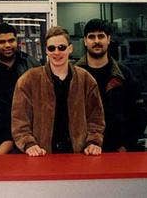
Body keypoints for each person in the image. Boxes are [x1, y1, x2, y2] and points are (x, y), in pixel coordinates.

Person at [12, 26, 105, 156]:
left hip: (78, 156)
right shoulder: (28, 80)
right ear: (46, 51)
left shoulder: (86, 80)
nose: (57, 52)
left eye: (61, 47)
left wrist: (93, 142)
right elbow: (19, 120)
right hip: (40, 156)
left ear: (70, 48)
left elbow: (96, 118)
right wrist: (29, 144)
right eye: (51, 48)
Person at [76, 18, 147, 152]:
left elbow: (139, 114)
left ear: (108, 39)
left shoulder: (124, 75)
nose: (96, 41)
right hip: (82, 150)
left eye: (101, 36)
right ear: (85, 41)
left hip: (117, 150)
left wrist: (127, 145)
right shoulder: (74, 75)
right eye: (91, 37)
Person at [0, 22, 39, 105]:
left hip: (23, 115)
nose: (7, 45)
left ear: (16, 41)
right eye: (2, 42)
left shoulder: (30, 64)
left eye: (11, 41)